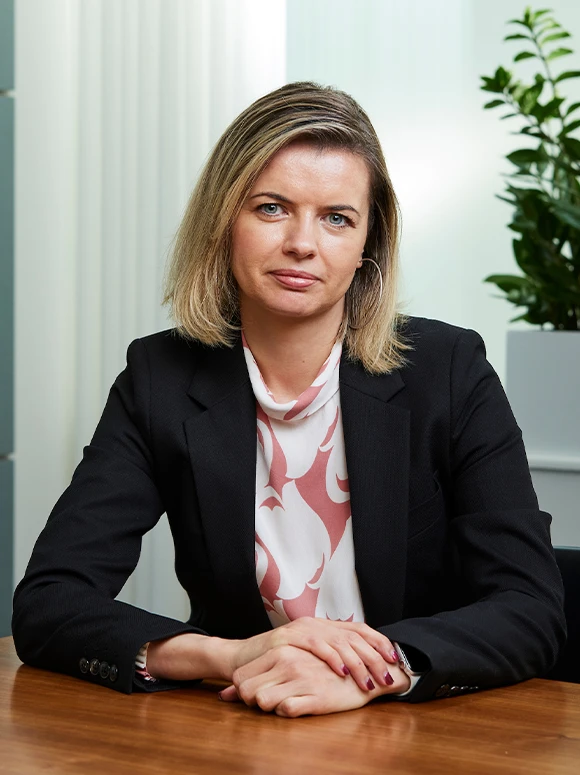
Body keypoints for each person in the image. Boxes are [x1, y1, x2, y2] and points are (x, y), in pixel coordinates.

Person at [12, 82, 565, 717]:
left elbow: (532, 608)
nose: (303, 242)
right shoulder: (159, 377)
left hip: (420, 731)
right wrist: (231, 655)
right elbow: (51, 600)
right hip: (247, 719)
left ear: (366, 247)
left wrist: (373, 671)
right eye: (272, 208)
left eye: (337, 218)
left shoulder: (448, 370)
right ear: (224, 222)